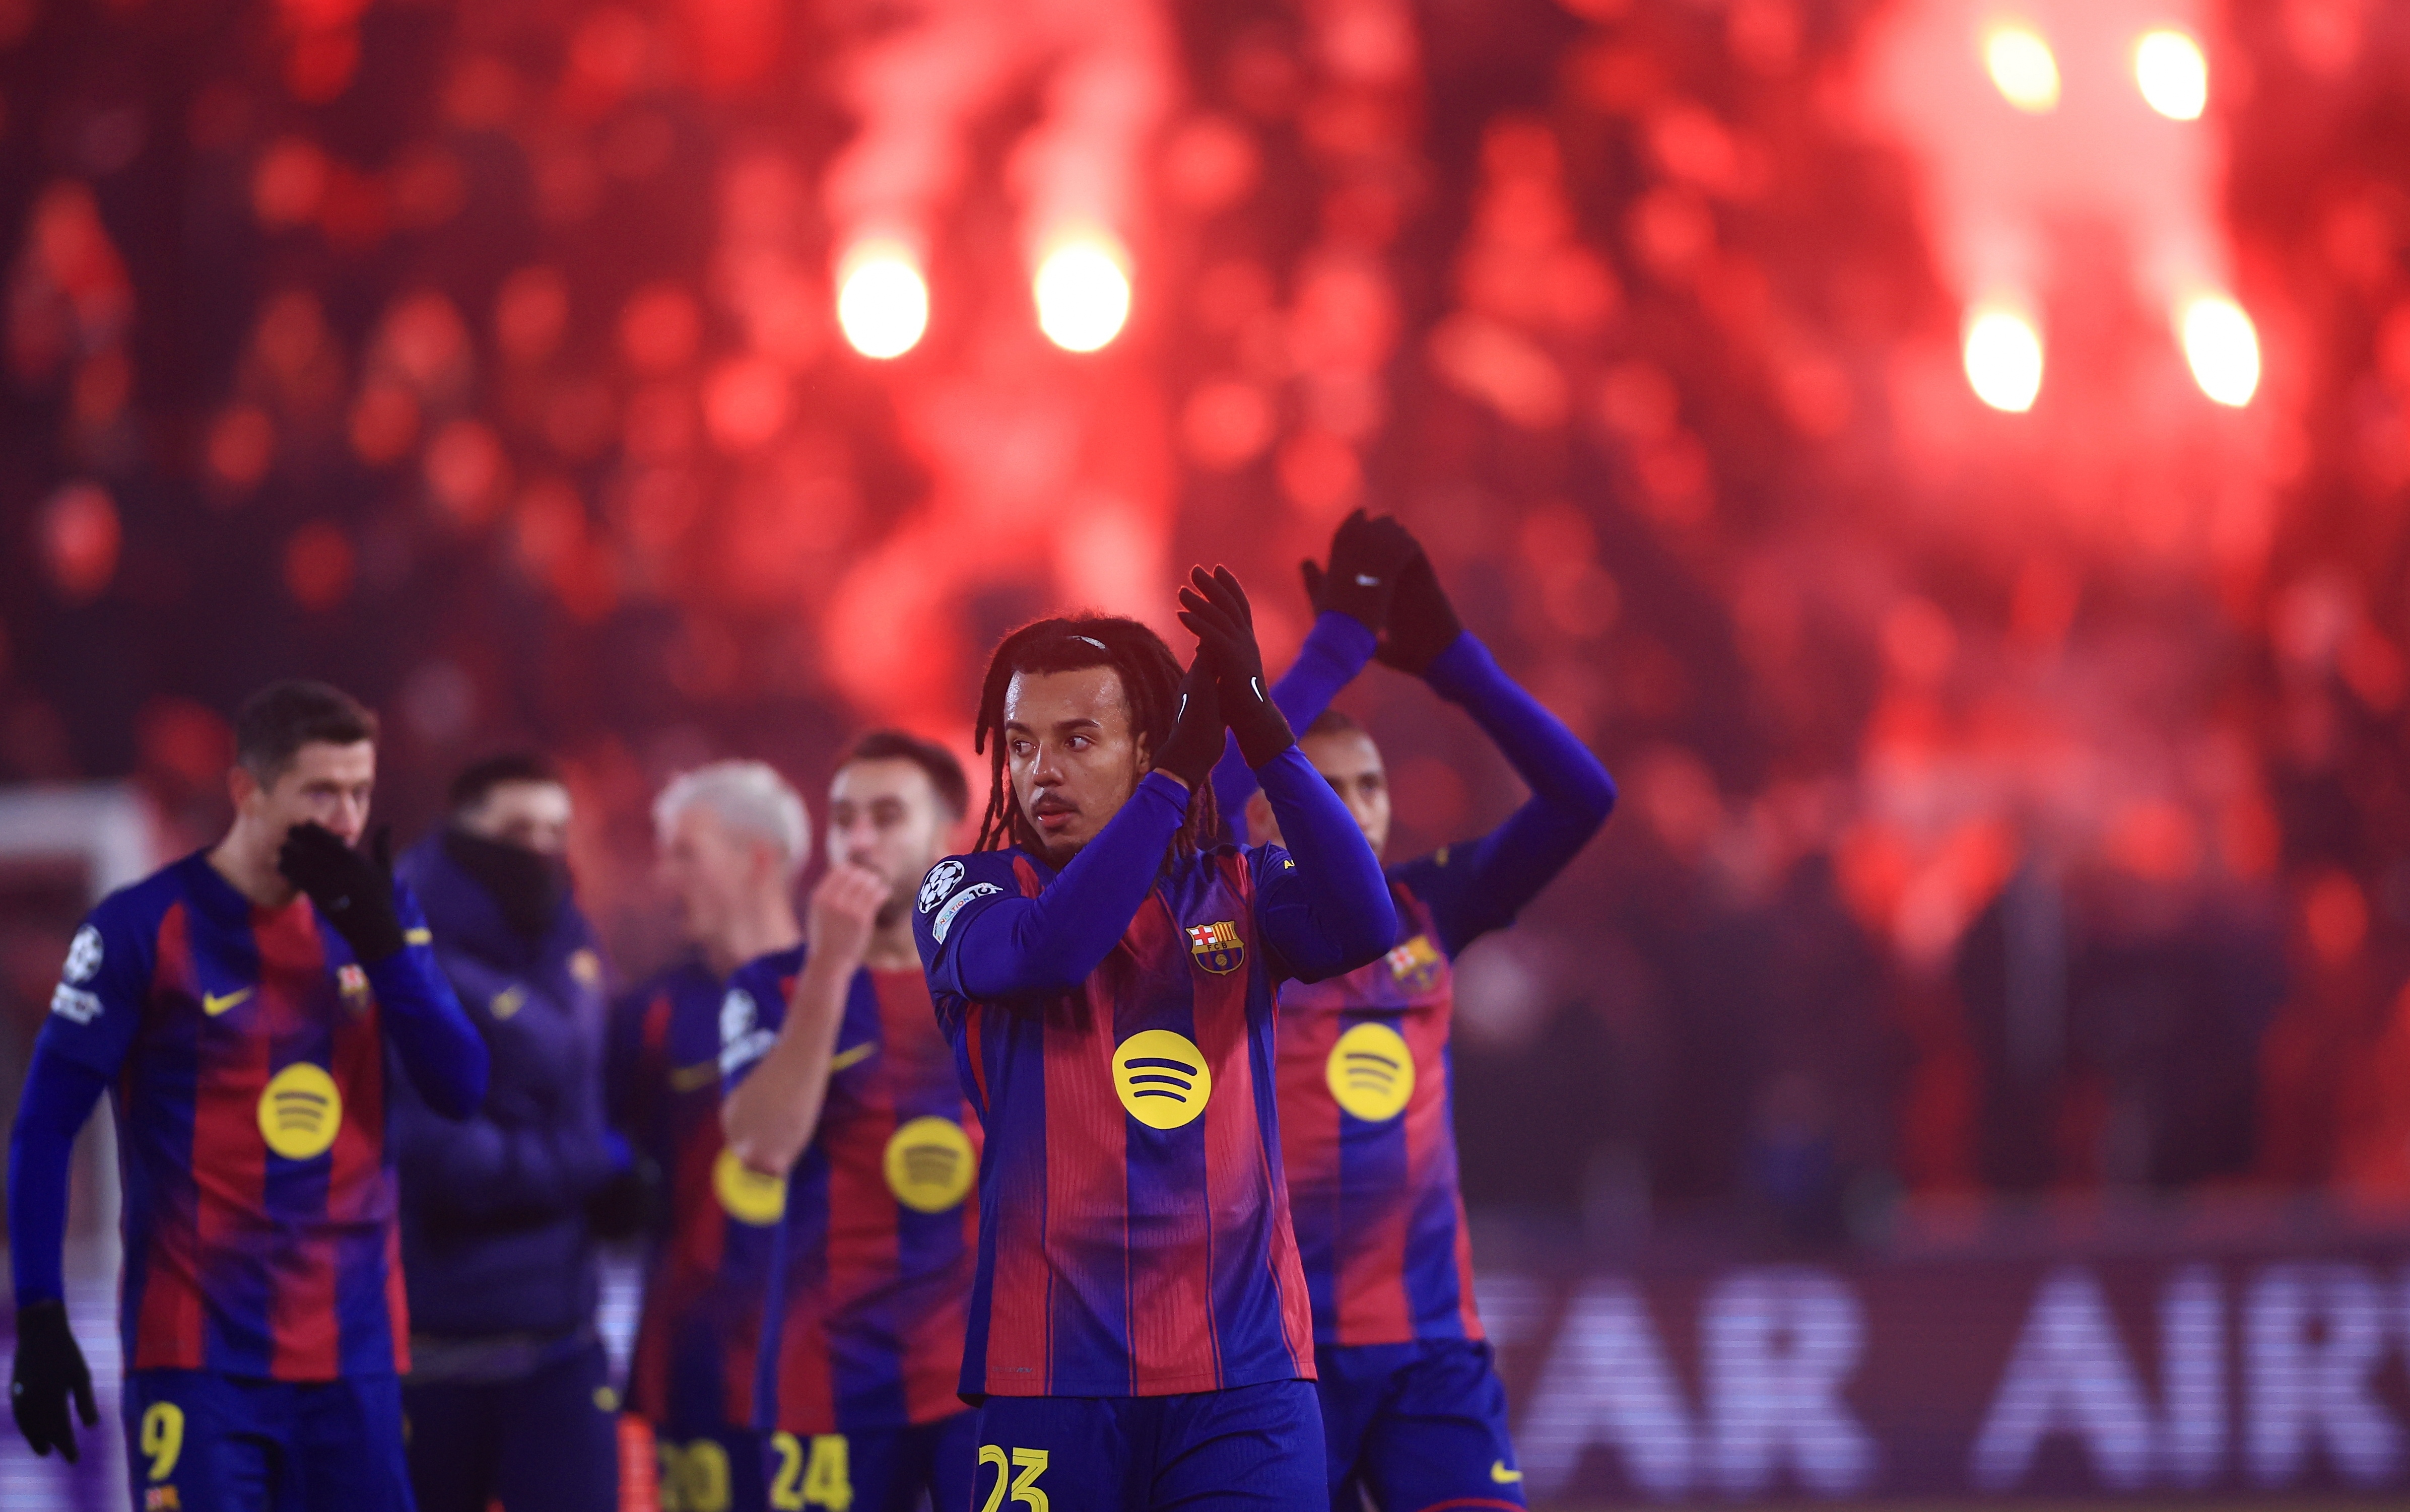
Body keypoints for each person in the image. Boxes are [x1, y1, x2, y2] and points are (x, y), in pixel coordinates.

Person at [913, 568, 1395, 1510]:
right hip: (1049, 1378)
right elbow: (1051, 953)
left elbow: (1368, 920)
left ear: (1144, 747)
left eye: (1076, 739)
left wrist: (1262, 726)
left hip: (1243, 1378)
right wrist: (1178, 780)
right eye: (1019, 745)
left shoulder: (1239, 889)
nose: (1040, 772)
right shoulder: (966, 893)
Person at [1213, 512, 1616, 1512]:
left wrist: (1454, 664)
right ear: (1263, 811)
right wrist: (1332, 650)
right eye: (1323, 786)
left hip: (1430, 1344)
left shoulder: (1430, 908)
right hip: (1270, 1351)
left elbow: (1582, 797)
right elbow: (1199, 798)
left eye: (1371, 788)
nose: (1354, 808)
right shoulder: (1222, 918)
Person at [5, 679, 489, 1511]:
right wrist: (43, 1312)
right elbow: (46, 1125)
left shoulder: (381, 916)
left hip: (352, 1354)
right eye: (321, 791)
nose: (346, 817)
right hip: (199, 1360)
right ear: (249, 791)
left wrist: (387, 949)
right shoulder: (139, 927)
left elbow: (461, 1085)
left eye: (361, 792)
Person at [721, 732, 981, 1512]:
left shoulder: (995, 972)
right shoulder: (773, 984)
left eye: (887, 816)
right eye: (843, 818)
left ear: (946, 835)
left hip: (989, 1373)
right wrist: (831, 967)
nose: (858, 839)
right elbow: (763, 1145)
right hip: (828, 1378)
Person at [389, 753, 637, 1512]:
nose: (540, 848)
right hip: (434, 1356)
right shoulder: (400, 955)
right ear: (460, 834)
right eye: (517, 829)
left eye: (555, 829)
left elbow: (591, 1101)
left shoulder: (574, 943)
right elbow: (438, 1151)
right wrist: (592, 1165)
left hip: (563, 1338)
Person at [612, 761, 810, 1512]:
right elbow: (610, 1157)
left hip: (826, 1368)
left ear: (759, 857)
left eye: (684, 852)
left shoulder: (846, 997)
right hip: (690, 1368)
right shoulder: (653, 1013)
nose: (663, 876)